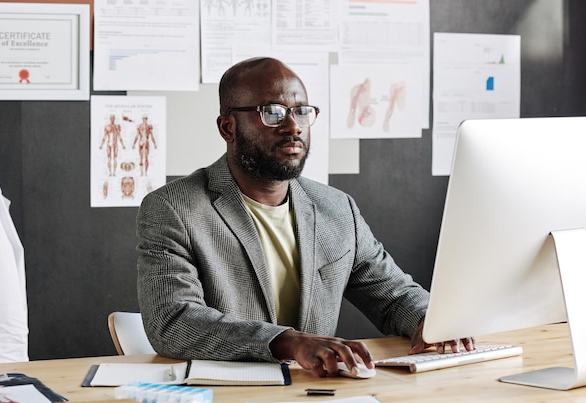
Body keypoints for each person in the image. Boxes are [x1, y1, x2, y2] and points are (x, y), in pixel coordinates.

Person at [136, 57, 474, 378]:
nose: (293, 126)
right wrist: (289, 341)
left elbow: (394, 294)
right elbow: (173, 321)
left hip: (313, 392)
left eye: (301, 111)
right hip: (219, 397)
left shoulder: (337, 208)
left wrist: (432, 322)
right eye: (272, 112)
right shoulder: (174, 208)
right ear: (228, 128)